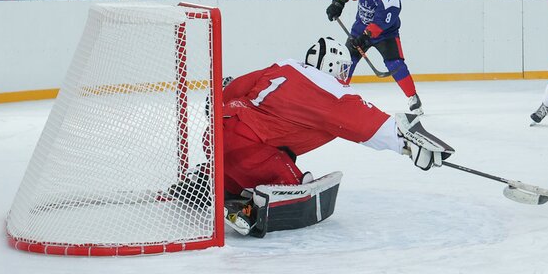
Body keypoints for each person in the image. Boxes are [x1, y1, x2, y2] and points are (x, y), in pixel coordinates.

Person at [172, 37, 453, 237]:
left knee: (253, 161)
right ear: (331, 66)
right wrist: (407, 143)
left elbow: (233, 89)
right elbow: (366, 122)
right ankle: (247, 210)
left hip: (216, 135)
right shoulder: (328, 90)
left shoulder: (283, 66)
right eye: (342, 68)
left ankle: (208, 180)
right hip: (249, 145)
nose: (344, 75)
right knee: (294, 185)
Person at [325, 0, 425, 115]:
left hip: (386, 34)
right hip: (360, 29)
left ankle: (413, 97)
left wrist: (365, 37)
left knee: (395, 64)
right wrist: (339, 3)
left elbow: (380, 23)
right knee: (347, 61)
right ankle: (337, 97)